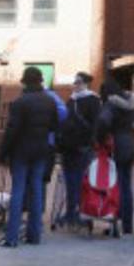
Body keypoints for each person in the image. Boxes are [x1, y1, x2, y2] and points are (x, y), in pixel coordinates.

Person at [0, 67, 60, 247]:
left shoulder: (20, 102)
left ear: (25, 81)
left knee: (18, 190)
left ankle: (11, 237)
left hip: (21, 151)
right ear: (40, 81)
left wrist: (3, 152)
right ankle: (34, 235)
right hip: (41, 150)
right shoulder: (50, 101)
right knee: (37, 190)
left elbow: (12, 130)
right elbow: (55, 126)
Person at [95, 78, 134, 236]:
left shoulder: (111, 104)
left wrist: (100, 138)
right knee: (126, 186)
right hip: (130, 145)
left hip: (117, 146)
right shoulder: (130, 102)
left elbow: (102, 121)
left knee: (116, 187)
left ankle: (115, 224)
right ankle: (128, 226)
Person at [58, 72, 100, 226]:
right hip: (68, 147)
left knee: (80, 180)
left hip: (83, 147)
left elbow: (95, 124)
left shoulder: (93, 100)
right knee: (69, 181)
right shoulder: (71, 99)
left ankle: (79, 211)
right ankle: (70, 211)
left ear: (86, 84)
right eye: (75, 82)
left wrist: (90, 143)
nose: (75, 85)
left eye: (79, 82)